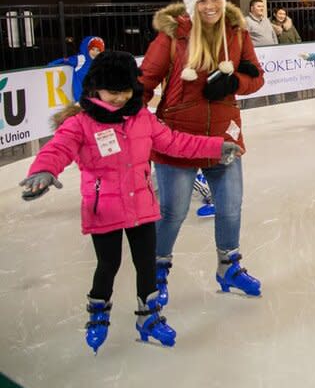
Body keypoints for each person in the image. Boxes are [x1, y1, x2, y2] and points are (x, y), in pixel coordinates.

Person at [20, 51, 242, 353]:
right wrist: (44, 170)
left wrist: (216, 146)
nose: (119, 98)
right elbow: (57, 149)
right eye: (112, 92)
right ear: (94, 89)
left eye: (124, 91)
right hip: (104, 209)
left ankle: (148, 317)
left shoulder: (142, 119)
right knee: (108, 264)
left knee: (146, 264)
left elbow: (175, 142)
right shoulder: (80, 124)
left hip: (142, 207)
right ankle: (98, 313)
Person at [139, 0, 265, 308]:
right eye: (202, 0)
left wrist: (234, 81)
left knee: (230, 208)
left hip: (224, 136)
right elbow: (146, 80)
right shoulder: (172, 36)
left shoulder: (236, 33)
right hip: (178, 138)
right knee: (172, 212)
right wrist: (128, 120)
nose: (210, 6)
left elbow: (256, 76)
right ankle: (156, 272)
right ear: (191, 3)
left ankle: (229, 267)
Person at [48, 36, 105, 102]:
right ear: (88, 49)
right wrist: (51, 64)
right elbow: (66, 60)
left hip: (95, 97)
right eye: (93, 49)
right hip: (81, 97)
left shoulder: (100, 62)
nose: (95, 52)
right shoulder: (82, 59)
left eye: (98, 50)